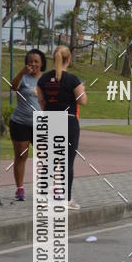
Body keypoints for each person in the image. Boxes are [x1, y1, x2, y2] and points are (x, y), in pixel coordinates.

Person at [36, 45, 87, 209]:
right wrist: (82, 90)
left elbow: (41, 100)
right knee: (67, 162)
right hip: (69, 121)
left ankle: (43, 198)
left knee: (49, 161)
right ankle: (66, 199)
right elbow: (82, 100)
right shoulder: (72, 79)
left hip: (50, 120)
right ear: (69, 59)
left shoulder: (43, 79)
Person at [9, 49, 46, 201]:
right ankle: (20, 189)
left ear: (42, 63)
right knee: (21, 156)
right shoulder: (23, 77)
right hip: (20, 123)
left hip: (41, 124)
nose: (33, 64)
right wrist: (21, 72)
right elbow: (13, 86)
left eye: (36, 61)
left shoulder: (46, 79)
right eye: (30, 61)